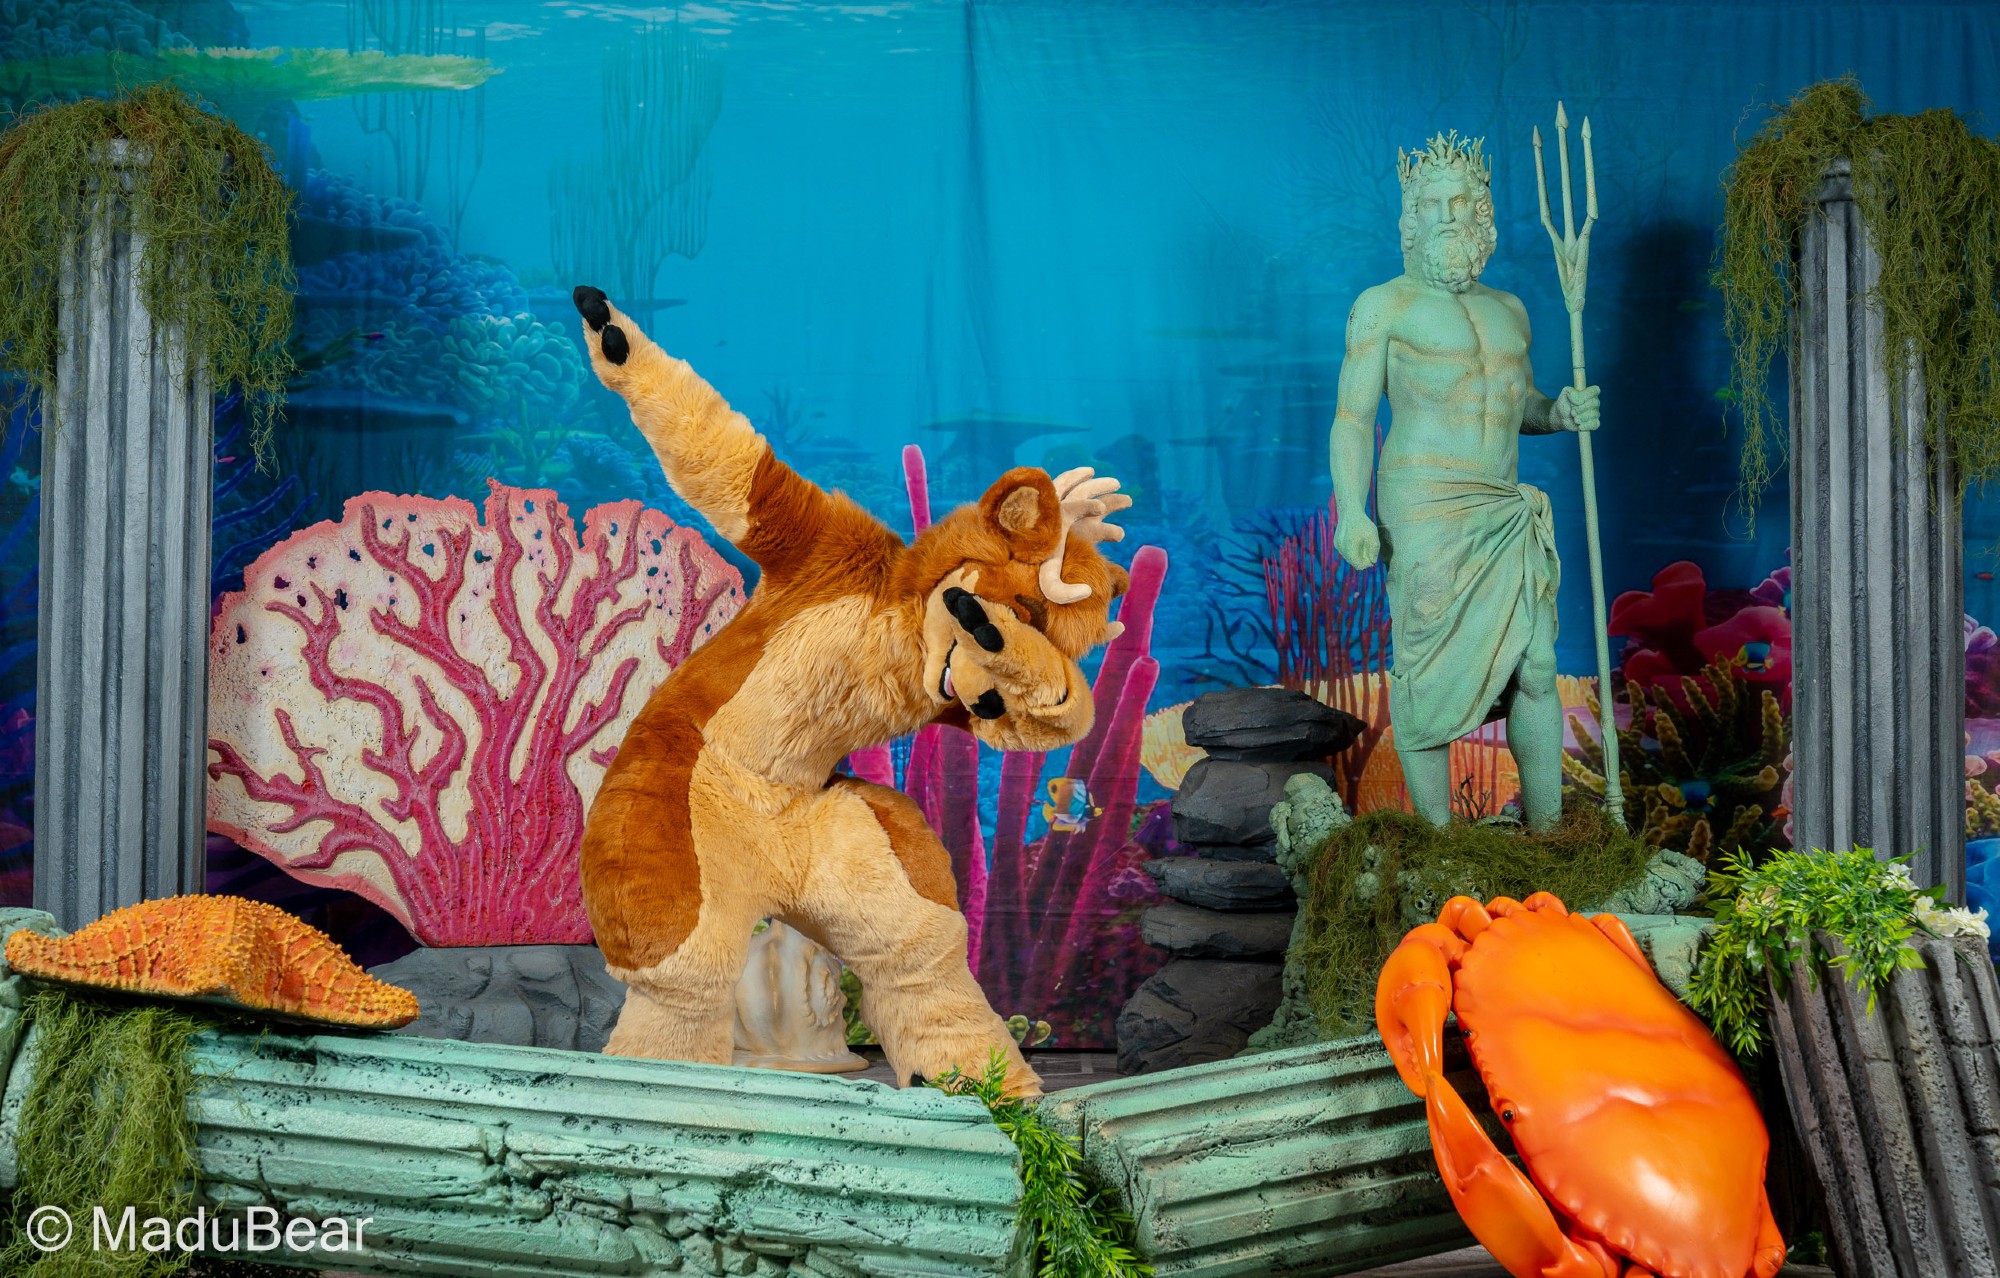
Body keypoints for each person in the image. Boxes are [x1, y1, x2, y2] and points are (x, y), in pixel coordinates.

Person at [1328, 132, 1600, 831]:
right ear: (1411, 217)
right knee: (1426, 671)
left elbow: (1518, 404)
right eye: (1433, 204)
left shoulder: (1510, 309)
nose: (1448, 215)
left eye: (1461, 202)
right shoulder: (1383, 306)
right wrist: (1351, 511)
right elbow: (1353, 419)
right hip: (1424, 507)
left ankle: (1547, 834)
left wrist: (1558, 413)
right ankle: (1437, 841)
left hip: (1502, 509)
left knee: (1536, 664)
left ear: (1482, 215)